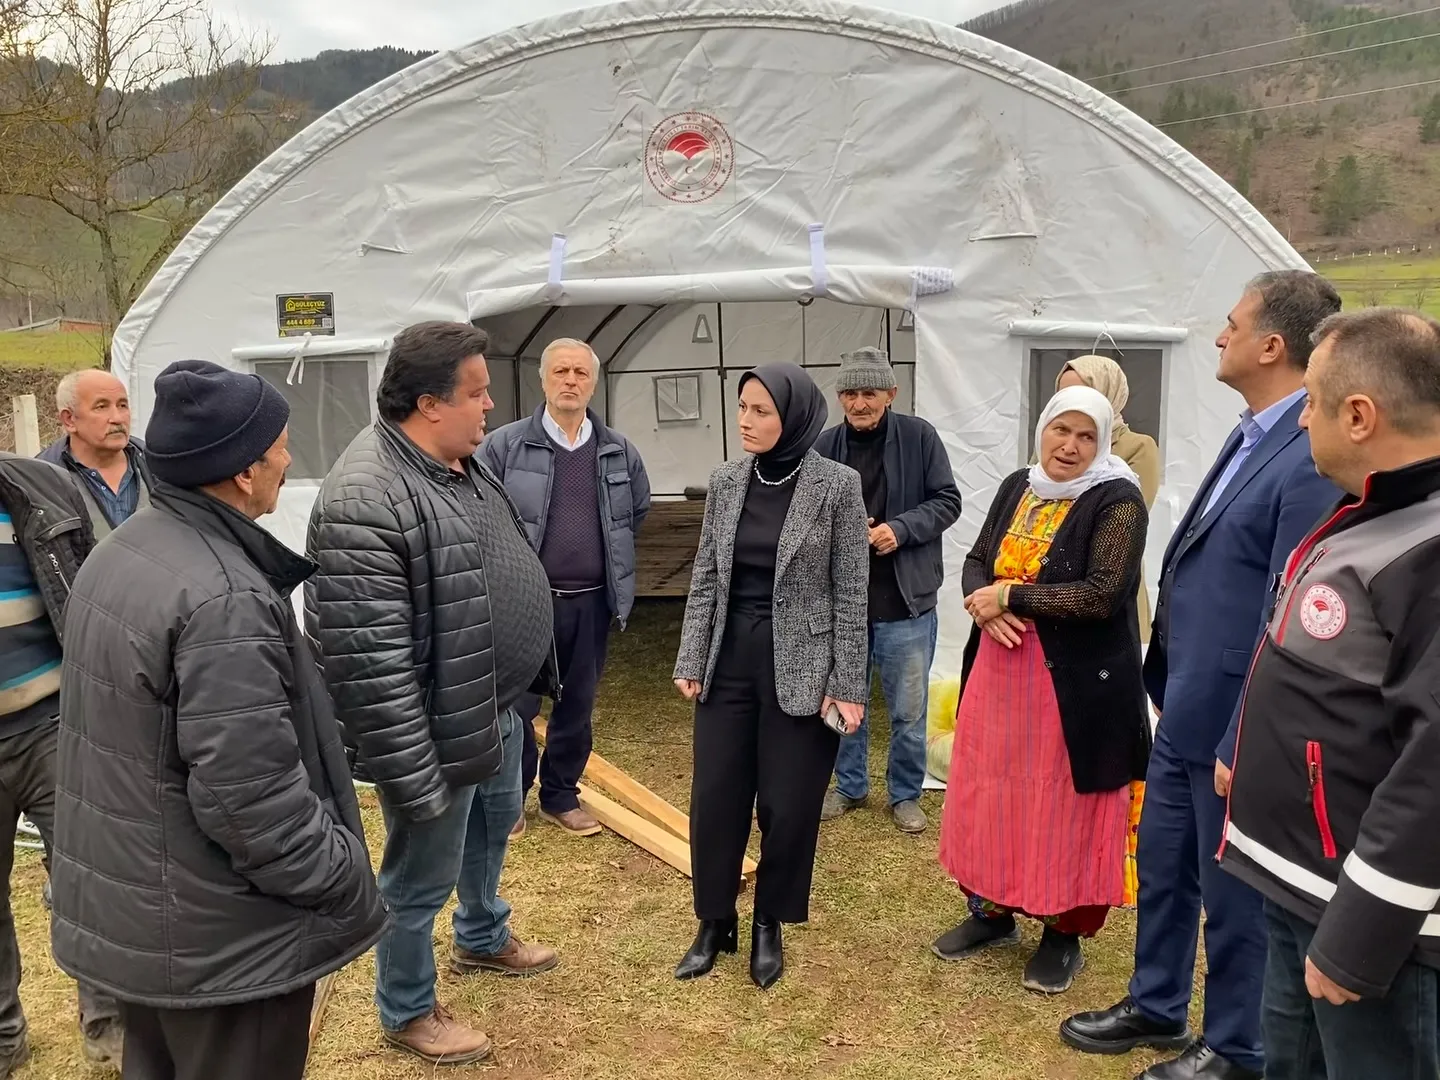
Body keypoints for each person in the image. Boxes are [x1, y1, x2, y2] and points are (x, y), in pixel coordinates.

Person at [48, 360, 387, 1080]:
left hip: (148, 918)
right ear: (241, 471)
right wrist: (340, 874)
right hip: (226, 940)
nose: (288, 460)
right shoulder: (223, 595)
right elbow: (249, 795)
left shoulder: (124, 550)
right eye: (281, 446)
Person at [1062, 271, 1342, 1080]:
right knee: (1163, 866)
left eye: (1231, 325)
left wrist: (1241, 730)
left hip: (1234, 721)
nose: (1218, 338)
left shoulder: (1308, 453)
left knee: (1233, 898)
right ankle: (1155, 1004)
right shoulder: (1252, 429)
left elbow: (1284, 611)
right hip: (1184, 701)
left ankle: (1236, 1045)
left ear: (1272, 345)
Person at [305, 321, 560, 1066]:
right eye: (477, 394)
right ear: (427, 402)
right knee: (419, 877)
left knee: (493, 830)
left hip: (493, 704)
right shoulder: (366, 495)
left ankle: (482, 934)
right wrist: (414, 776)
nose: (490, 408)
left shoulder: (453, 459)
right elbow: (369, 665)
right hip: (434, 729)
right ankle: (407, 1007)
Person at [1218, 308, 1440, 1080]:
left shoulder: (1428, 548)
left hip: (1374, 928)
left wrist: (1360, 934)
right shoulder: (1376, 509)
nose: (1299, 416)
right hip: (1298, 884)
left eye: (1309, 400)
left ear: (1359, 416)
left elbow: (1434, 767)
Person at [932, 386, 1150, 995]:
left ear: (1102, 441)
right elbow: (978, 558)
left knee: (1064, 805)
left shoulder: (1117, 499)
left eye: (1086, 436)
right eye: (1062, 431)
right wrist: (984, 604)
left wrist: (1012, 597)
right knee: (992, 794)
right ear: (1043, 430)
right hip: (1001, 675)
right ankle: (992, 914)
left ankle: (1062, 935)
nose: (1070, 447)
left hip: (1074, 687)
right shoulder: (1017, 485)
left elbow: (1102, 592)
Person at [671, 363, 868, 990]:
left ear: (795, 416)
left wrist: (848, 683)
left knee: (788, 804)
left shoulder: (837, 485)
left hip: (804, 668)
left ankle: (768, 923)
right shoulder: (727, 481)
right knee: (716, 799)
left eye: (761, 409)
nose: (746, 420)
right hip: (730, 661)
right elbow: (706, 576)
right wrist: (691, 659)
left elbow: (851, 593)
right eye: (742, 407)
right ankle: (714, 921)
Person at [480, 337, 651, 839]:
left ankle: (560, 796)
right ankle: (510, 799)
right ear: (543, 379)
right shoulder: (506, 446)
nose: (570, 381)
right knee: (516, 705)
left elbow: (635, 513)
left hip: (592, 602)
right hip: (526, 604)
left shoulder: (618, 451)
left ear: (593, 382)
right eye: (561, 372)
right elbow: (481, 513)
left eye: (580, 373)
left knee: (576, 705)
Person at [0, 453, 123, 1074]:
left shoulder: (42, 486)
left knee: (88, 881)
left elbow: (90, 595)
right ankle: (4, 1038)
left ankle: (109, 1027)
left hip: (54, 724)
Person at [814, 347, 962, 834]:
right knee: (843, 699)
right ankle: (850, 785)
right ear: (840, 397)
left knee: (908, 709)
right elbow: (808, 513)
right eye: (851, 393)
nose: (859, 402)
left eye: (869, 392)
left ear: (891, 394)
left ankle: (904, 793)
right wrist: (842, 533)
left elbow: (947, 500)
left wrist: (899, 529)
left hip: (906, 601)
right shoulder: (825, 445)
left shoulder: (920, 438)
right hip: (846, 604)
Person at [1053, 355, 1160, 638]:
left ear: (1108, 396)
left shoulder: (1137, 447)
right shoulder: (1049, 446)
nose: (1073, 404)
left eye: (1083, 394)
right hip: (1047, 589)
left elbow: (1123, 523)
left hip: (1105, 588)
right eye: (1064, 395)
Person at [38, 368, 152, 535]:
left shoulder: (157, 468)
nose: (117, 418)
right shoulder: (41, 481)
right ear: (69, 419)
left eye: (122, 405)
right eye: (101, 407)